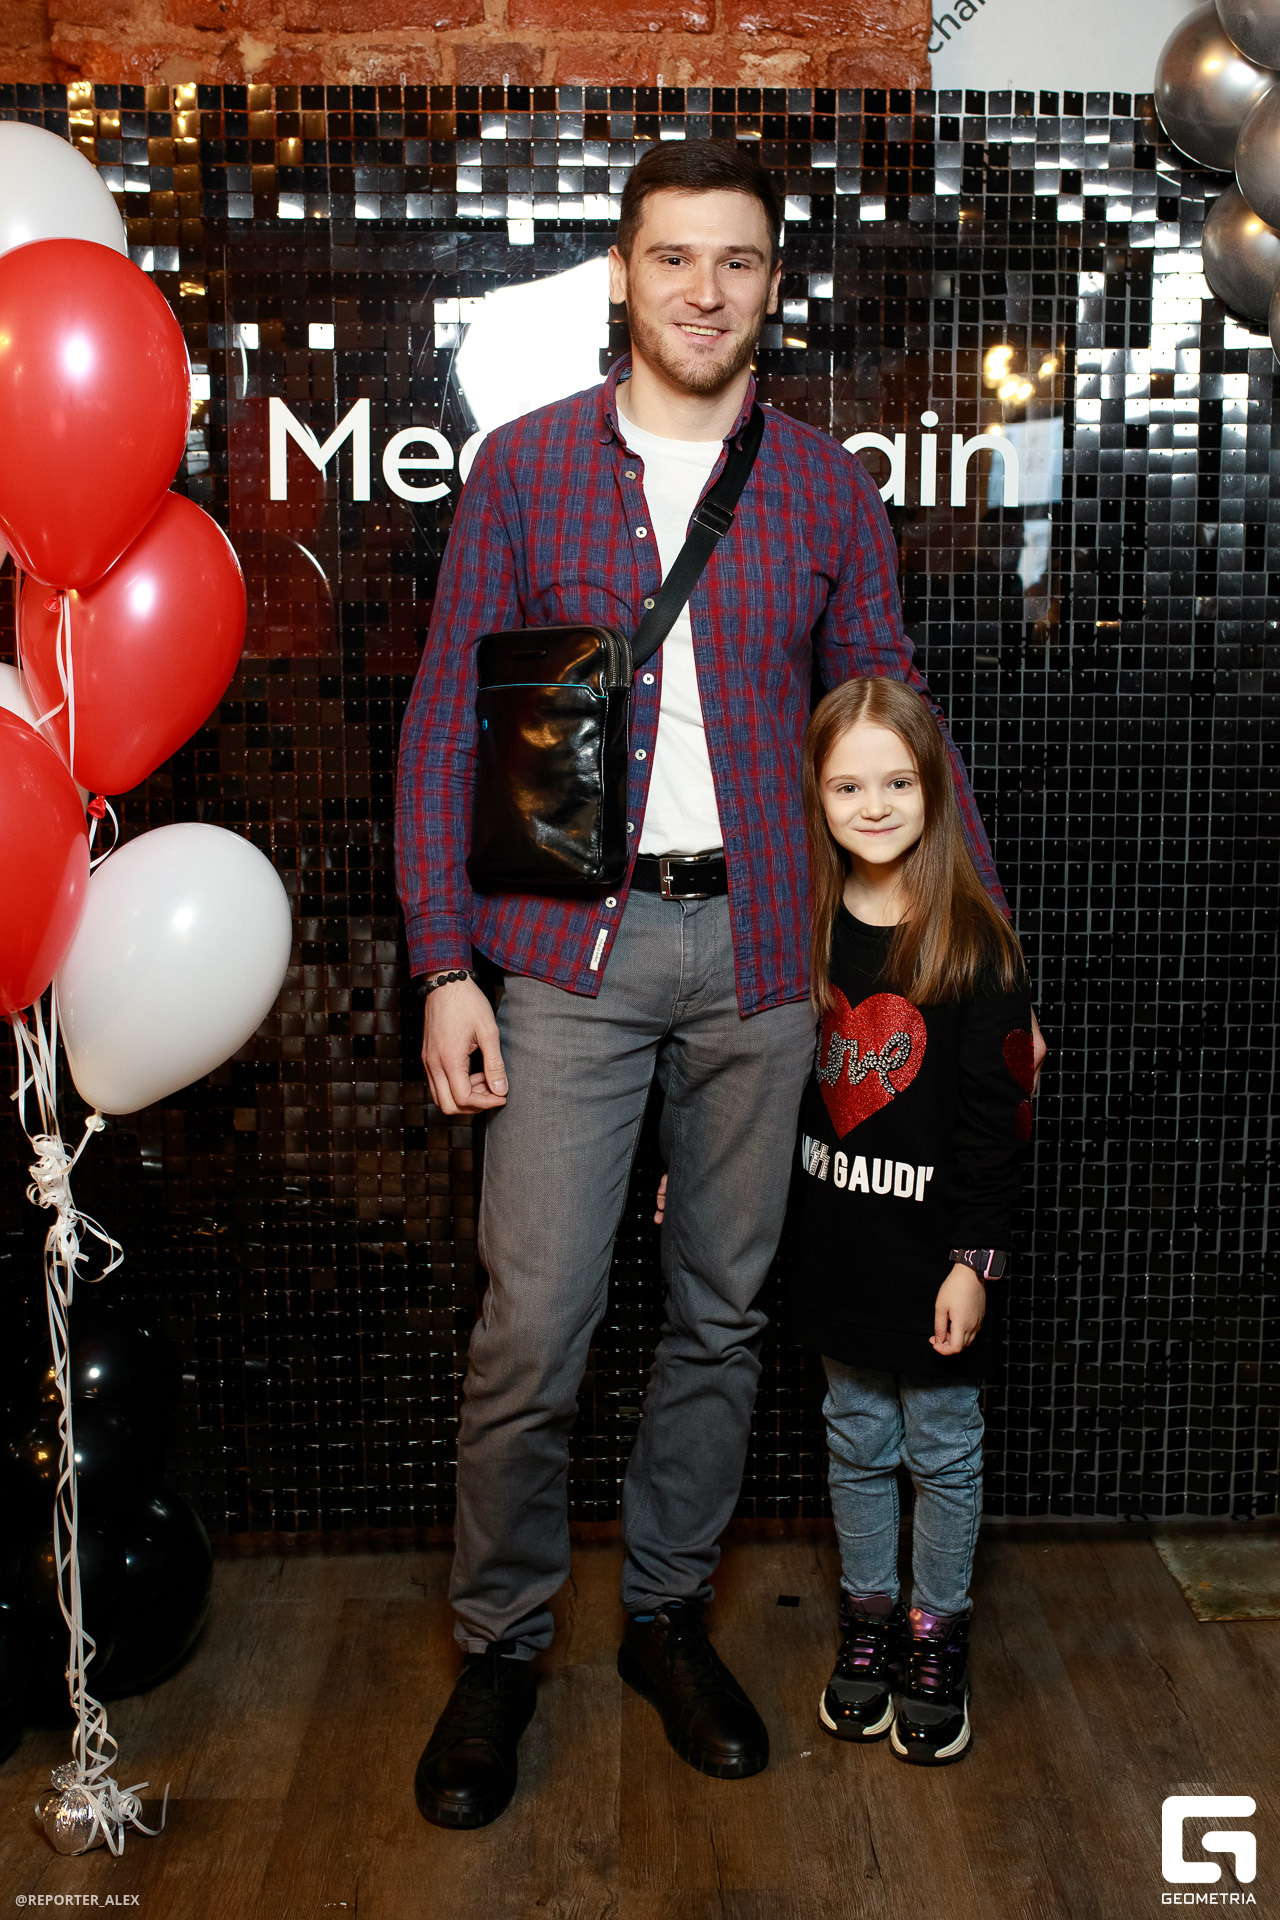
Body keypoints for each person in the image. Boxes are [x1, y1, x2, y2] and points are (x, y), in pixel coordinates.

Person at [395, 138, 1041, 1830]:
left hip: (765, 959)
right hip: (566, 956)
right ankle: (502, 1645)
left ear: (772, 286)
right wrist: (442, 961)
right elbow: (448, 722)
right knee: (534, 1322)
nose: (703, 290)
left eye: (736, 260)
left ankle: (667, 1618)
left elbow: (894, 720)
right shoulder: (525, 468)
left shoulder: (823, 489)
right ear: (622, 274)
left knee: (725, 1313)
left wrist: (985, 957)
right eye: (673, 256)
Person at [786, 674, 1034, 1766]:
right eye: (848, 786)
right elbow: (756, 1090)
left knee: (940, 1449)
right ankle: (869, 1619)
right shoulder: (797, 932)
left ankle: (935, 1639)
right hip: (837, 1254)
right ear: (815, 795)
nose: (874, 806)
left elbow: (995, 1136)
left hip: (933, 1266)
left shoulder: (977, 946)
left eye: (896, 782)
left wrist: (973, 1263)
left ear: (933, 789)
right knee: (853, 1441)